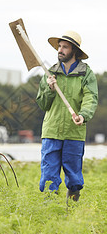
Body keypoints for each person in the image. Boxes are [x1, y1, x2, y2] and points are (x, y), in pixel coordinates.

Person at [36, 30, 98, 203]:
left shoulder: (86, 73)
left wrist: (83, 115)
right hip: (51, 131)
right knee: (49, 176)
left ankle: (71, 210)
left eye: (65, 47)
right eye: (59, 46)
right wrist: (49, 89)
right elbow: (42, 104)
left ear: (75, 51)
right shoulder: (49, 73)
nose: (60, 50)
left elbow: (90, 98)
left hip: (74, 132)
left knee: (74, 178)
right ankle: (50, 212)